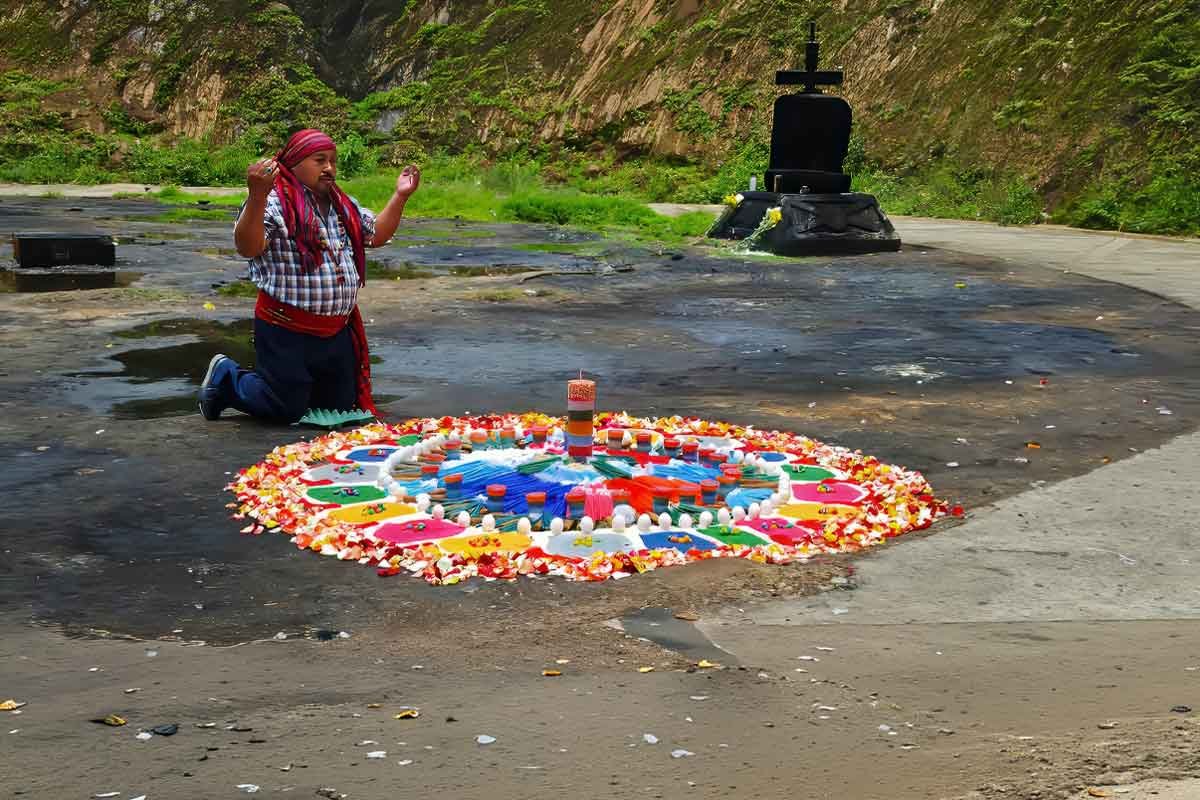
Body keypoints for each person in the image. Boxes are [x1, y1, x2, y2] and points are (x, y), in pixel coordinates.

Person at [198, 128, 420, 423]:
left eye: (332, 161)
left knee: (339, 409)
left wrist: (400, 196)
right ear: (294, 162)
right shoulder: (274, 202)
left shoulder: (343, 204)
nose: (329, 168)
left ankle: (299, 388)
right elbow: (248, 247)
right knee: (284, 407)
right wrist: (256, 196)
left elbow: (376, 234)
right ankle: (226, 376)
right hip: (286, 329)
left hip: (335, 331)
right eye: (320, 160)